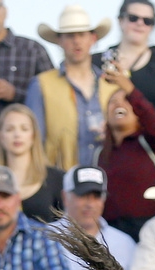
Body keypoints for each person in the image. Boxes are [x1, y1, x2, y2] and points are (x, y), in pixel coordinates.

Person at [0, 0, 52, 190]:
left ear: (5, 11)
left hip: (24, 157)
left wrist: (15, 94)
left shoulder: (32, 50)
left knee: (31, 218)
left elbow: (53, 102)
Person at [25, 5, 117, 171]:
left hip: (106, 179)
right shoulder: (41, 85)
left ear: (93, 39)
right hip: (59, 181)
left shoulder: (111, 86)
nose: (76, 41)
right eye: (70, 36)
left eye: (82, 34)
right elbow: (32, 142)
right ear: (59, 41)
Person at [92, 1, 155, 146]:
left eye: (147, 21)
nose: (140, 23)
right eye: (133, 18)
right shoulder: (97, 62)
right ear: (121, 21)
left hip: (154, 146)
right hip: (109, 146)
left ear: (152, 26)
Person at [95, 66, 155, 241]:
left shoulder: (150, 141)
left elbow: (154, 122)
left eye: (126, 100)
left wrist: (129, 89)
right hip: (111, 232)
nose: (119, 104)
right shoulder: (99, 153)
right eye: (113, 102)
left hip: (150, 229)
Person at [0, 104, 62, 226]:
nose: (17, 135)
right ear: (0, 135)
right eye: (10, 129)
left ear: (34, 135)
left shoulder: (57, 178)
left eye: (24, 129)